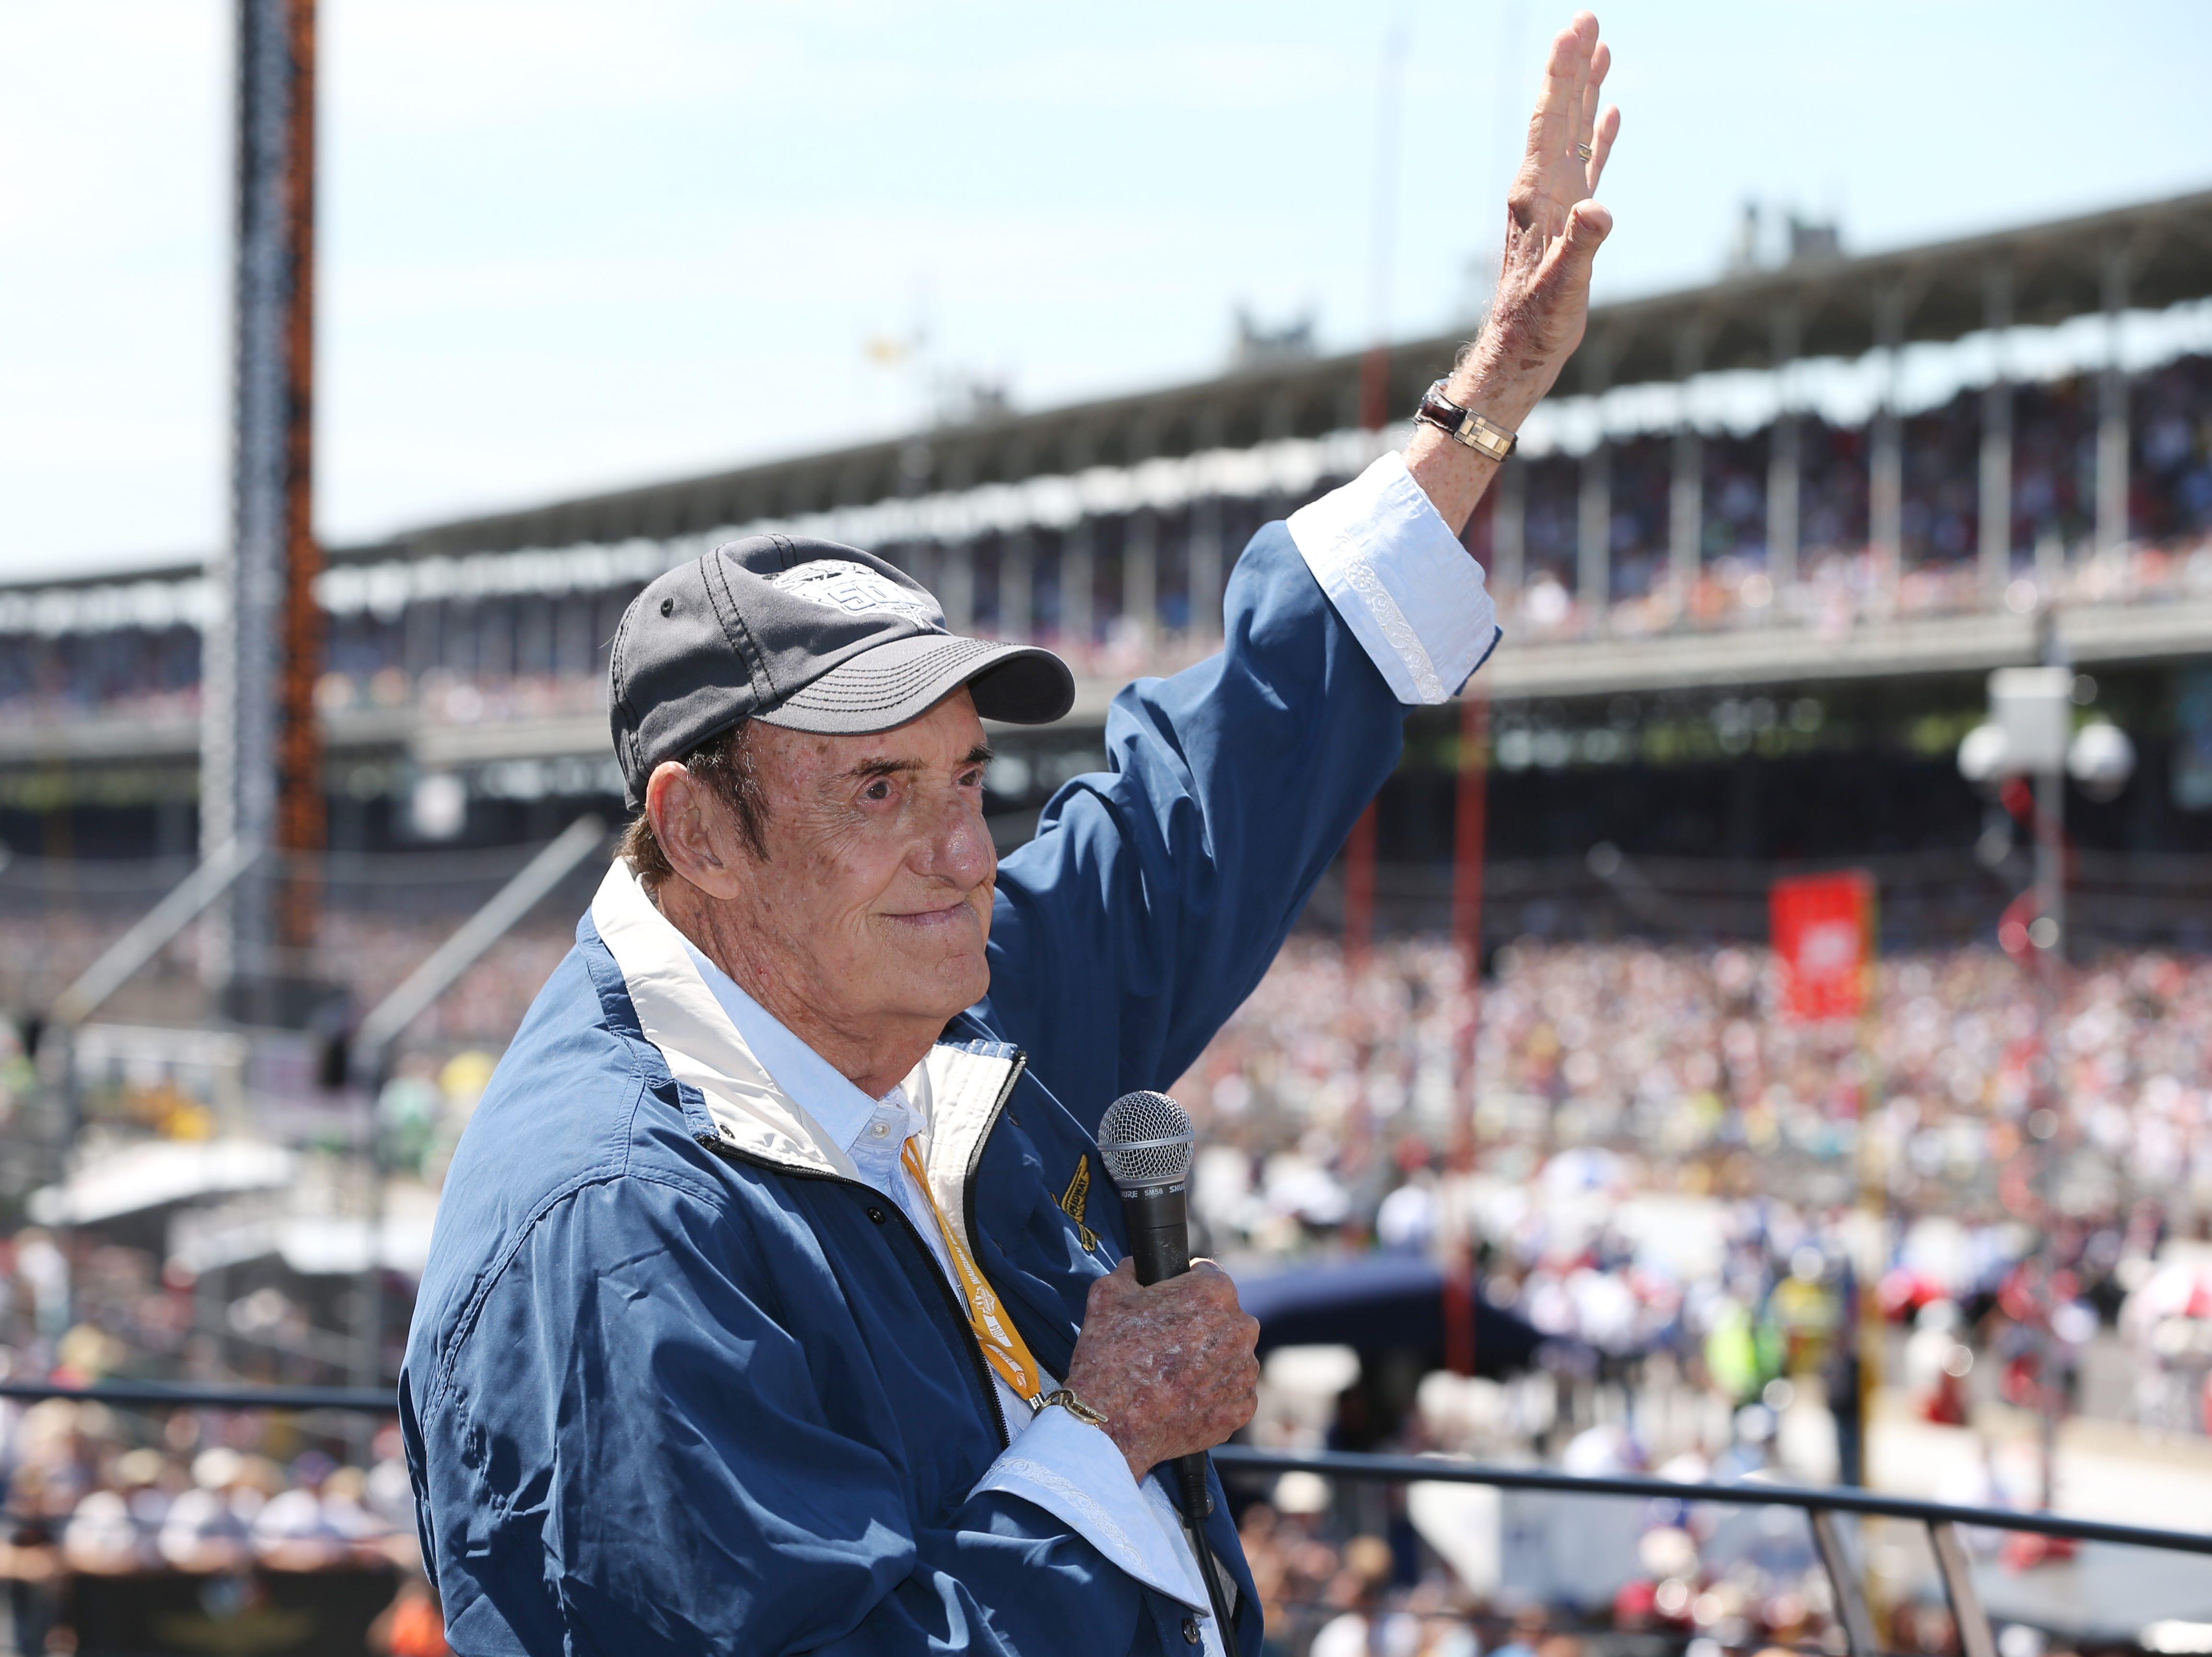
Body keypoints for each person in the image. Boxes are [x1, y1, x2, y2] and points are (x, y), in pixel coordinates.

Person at [399, 14, 1621, 1654]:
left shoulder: (882, 997)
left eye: (967, 776)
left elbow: (1199, 812)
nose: (967, 850)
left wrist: (1479, 412)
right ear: (699, 835)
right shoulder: (620, 1229)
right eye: (879, 791)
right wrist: (1109, 1438)